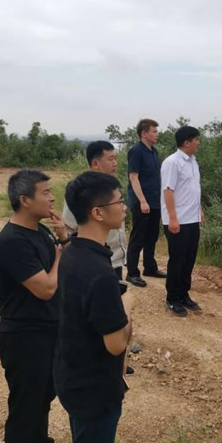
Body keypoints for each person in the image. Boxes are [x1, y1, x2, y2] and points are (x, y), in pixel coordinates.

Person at [54, 171, 133, 443]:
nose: (124, 207)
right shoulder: (100, 274)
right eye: (119, 201)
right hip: (95, 392)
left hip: (73, 377)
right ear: (98, 213)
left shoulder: (72, 252)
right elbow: (115, 344)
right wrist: (127, 307)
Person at [0, 169, 69, 443]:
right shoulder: (13, 241)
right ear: (25, 200)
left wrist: (63, 237)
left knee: (42, 399)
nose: (52, 198)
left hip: (47, 330)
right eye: (45, 192)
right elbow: (46, 288)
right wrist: (59, 255)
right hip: (25, 338)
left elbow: (61, 275)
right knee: (26, 407)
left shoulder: (41, 231)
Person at [62, 141, 127, 280]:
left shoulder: (111, 187)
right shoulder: (82, 191)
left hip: (114, 258)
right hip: (93, 260)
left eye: (116, 158)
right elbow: (69, 228)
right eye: (111, 159)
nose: (115, 163)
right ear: (95, 163)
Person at [161, 126, 205, 317]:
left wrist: (199, 210)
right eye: (196, 139)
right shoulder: (172, 162)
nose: (198, 143)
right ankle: (172, 298)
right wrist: (172, 218)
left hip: (192, 218)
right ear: (187, 142)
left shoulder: (193, 161)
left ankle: (183, 294)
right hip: (177, 220)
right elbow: (168, 191)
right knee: (177, 259)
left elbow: (194, 188)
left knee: (189, 259)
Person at [126, 118, 165, 287]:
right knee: (138, 237)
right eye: (154, 131)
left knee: (152, 236)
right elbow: (133, 177)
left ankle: (150, 267)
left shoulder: (154, 151)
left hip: (155, 201)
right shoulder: (136, 151)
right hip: (142, 202)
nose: (157, 134)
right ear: (144, 133)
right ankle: (132, 273)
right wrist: (142, 201)